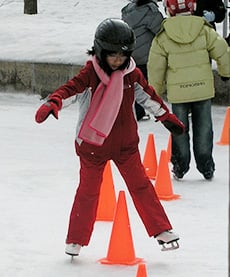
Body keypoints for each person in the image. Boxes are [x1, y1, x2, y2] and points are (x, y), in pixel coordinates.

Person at [35, 18, 185, 256]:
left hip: (126, 145)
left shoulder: (131, 74)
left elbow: (148, 96)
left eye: (122, 55)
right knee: (88, 191)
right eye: (112, 55)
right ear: (100, 51)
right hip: (93, 145)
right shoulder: (90, 74)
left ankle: (161, 230)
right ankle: (75, 239)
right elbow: (70, 90)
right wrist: (54, 103)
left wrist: (166, 117)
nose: (118, 60)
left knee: (142, 186)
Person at [148, 0, 230, 180]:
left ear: (169, 10)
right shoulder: (204, 29)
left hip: (178, 93)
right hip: (202, 90)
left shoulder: (163, 36)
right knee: (204, 128)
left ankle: (180, 164)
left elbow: (156, 67)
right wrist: (226, 72)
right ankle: (206, 164)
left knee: (179, 129)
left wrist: (155, 93)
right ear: (192, 8)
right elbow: (222, 50)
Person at [121, 0, 164, 121]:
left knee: (134, 84)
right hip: (146, 55)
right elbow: (160, 31)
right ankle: (153, 110)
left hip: (132, 54)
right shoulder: (151, 12)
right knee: (144, 85)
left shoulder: (128, 11)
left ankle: (136, 111)